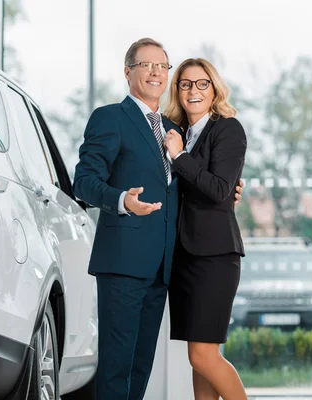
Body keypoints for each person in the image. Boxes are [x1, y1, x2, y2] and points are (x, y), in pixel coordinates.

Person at [73, 39, 243, 400]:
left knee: (140, 366)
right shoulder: (110, 118)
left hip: (163, 268)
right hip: (122, 261)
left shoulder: (173, 131)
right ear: (127, 71)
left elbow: (196, 185)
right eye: (145, 65)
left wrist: (232, 190)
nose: (155, 72)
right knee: (116, 366)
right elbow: (84, 182)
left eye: (161, 66)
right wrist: (121, 200)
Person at [163, 58, 248, 400]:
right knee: (198, 361)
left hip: (214, 257)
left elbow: (217, 189)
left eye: (201, 84)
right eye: (185, 84)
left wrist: (180, 157)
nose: (193, 91)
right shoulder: (178, 133)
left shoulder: (228, 128)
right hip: (184, 258)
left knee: (203, 356)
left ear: (214, 89)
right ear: (178, 90)